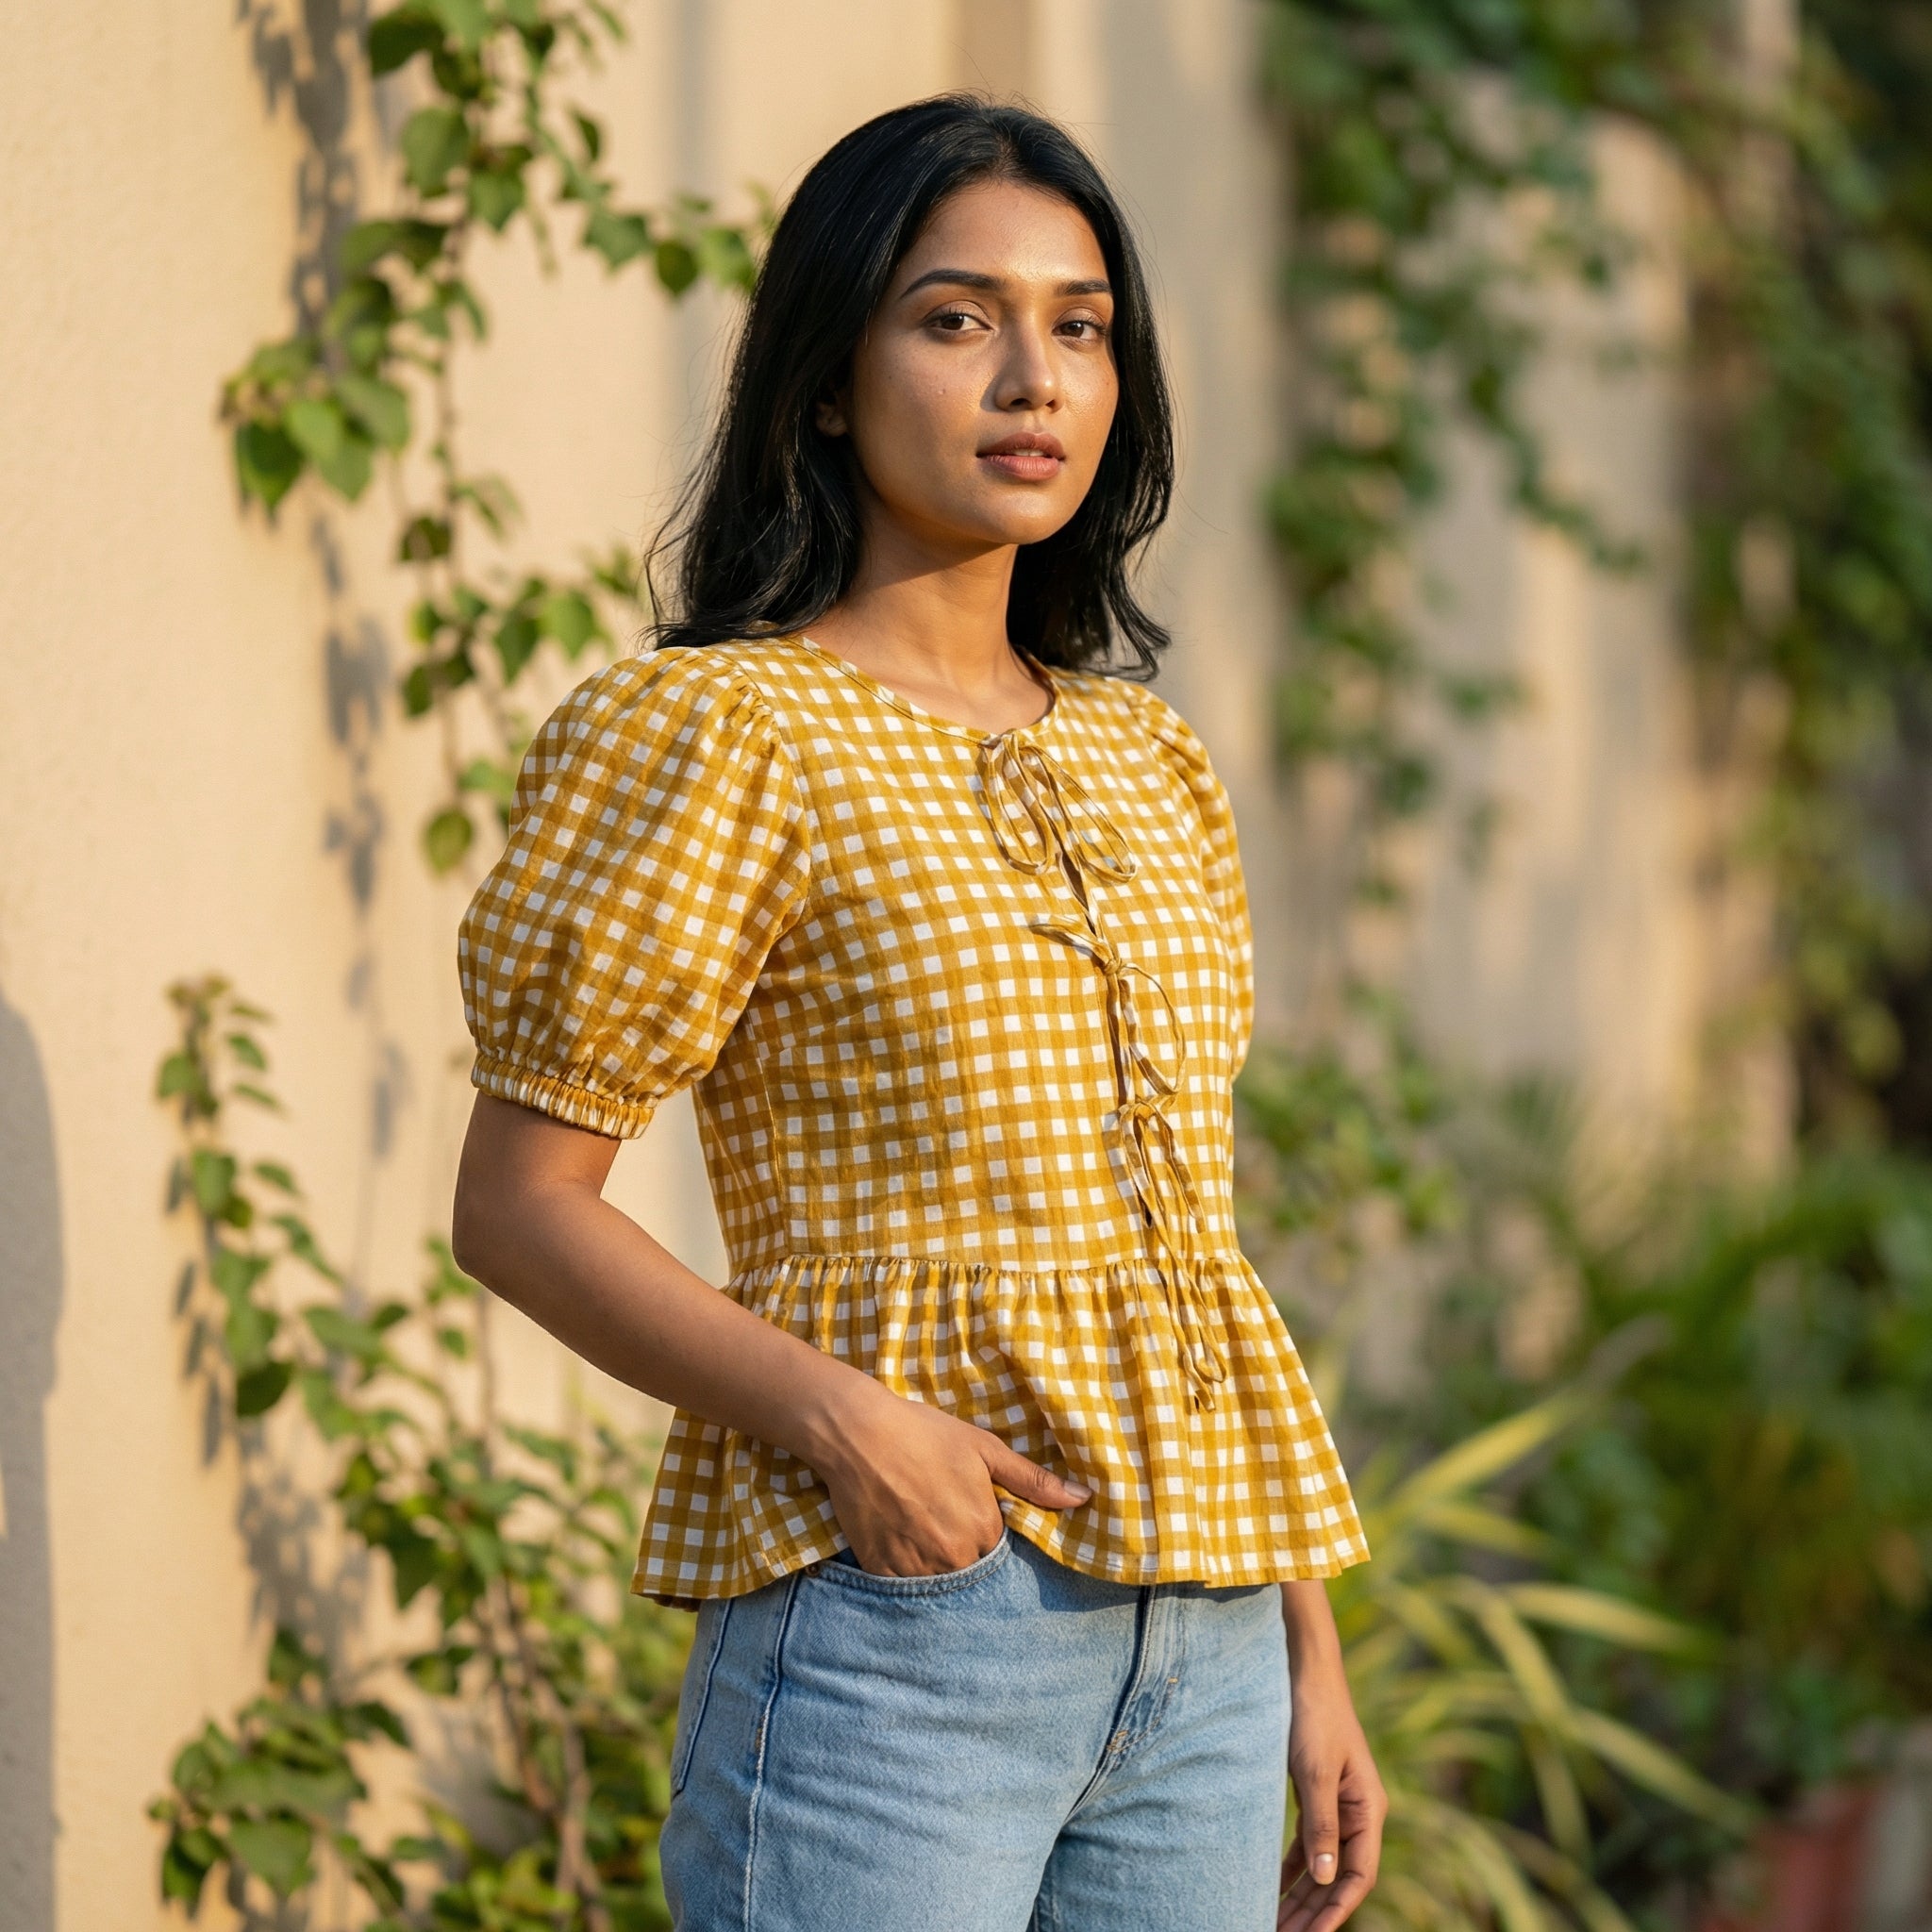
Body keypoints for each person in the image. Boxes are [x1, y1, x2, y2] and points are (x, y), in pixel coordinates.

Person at [452, 92, 1385, 1932]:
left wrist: (1305, 1647)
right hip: (899, 1629)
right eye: (958, 319)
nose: (1033, 378)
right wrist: (850, 1426)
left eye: (1080, 327)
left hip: (1204, 1653)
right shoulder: (725, 733)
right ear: (826, 379)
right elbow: (519, 1208)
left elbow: (1183, 1241)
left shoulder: (1148, 761)